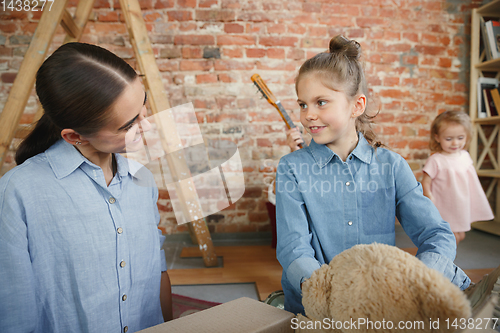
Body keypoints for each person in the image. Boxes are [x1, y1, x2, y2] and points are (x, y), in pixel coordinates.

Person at [275, 35, 471, 315]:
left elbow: (436, 233)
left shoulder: (392, 166)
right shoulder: (291, 168)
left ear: (357, 106)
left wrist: (417, 282)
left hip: (382, 304)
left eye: (321, 102)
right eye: (303, 104)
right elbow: (293, 249)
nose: (308, 115)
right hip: (322, 305)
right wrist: (331, 294)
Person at [0, 42, 173, 332]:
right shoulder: (18, 195)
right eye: (129, 124)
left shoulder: (142, 179)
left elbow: (157, 271)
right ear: (75, 136)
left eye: (144, 106)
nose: (149, 126)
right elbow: (15, 314)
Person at [421, 111, 494, 245]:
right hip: (444, 204)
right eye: (448, 139)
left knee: (461, 234)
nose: (455, 143)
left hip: (460, 204)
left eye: (460, 138)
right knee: (451, 235)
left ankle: (446, 255)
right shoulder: (436, 160)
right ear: (437, 137)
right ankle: (445, 257)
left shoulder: (465, 155)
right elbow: (426, 181)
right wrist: (428, 195)